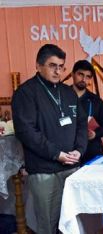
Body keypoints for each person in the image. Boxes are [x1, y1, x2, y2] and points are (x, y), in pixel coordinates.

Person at [11, 44, 88, 234]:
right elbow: (26, 132)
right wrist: (56, 154)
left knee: (72, 223)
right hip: (44, 171)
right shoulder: (25, 93)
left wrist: (79, 149)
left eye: (61, 66)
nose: (58, 71)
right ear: (38, 65)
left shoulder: (68, 92)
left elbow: (81, 125)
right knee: (48, 225)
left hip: (71, 167)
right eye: (52, 65)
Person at [71, 60, 103, 164]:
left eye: (88, 76)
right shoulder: (61, 97)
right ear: (73, 74)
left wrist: (95, 134)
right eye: (80, 74)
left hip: (92, 152)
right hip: (68, 153)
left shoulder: (96, 101)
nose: (83, 79)